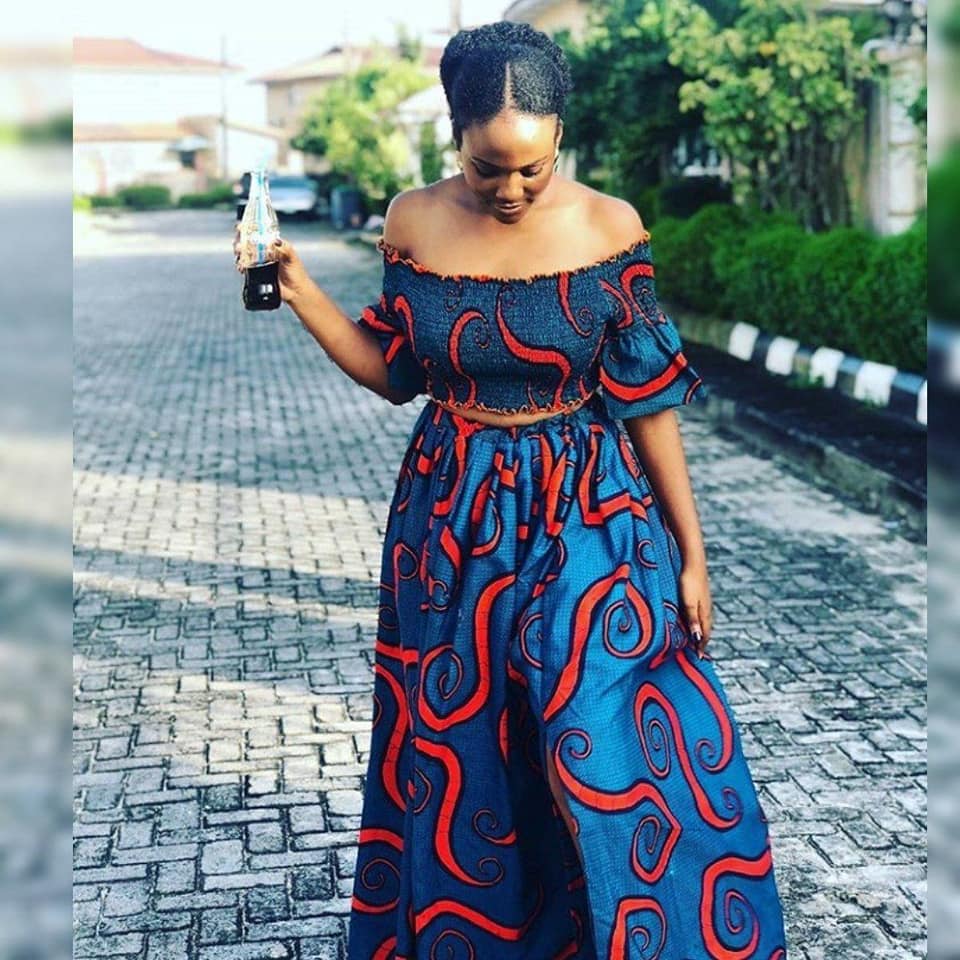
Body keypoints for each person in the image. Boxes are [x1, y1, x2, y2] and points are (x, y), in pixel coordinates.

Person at [237, 21, 788, 960]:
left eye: (534, 166)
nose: (511, 188)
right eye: (487, 166)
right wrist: (299, 290)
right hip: (453, 519)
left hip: (591, 512)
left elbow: (650, 404)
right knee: (472, 754)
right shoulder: (412, 220)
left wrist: (692, 555)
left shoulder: (610, 227)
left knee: (605, 743)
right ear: (455, 137)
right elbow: (395, 370)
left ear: (560, 135)